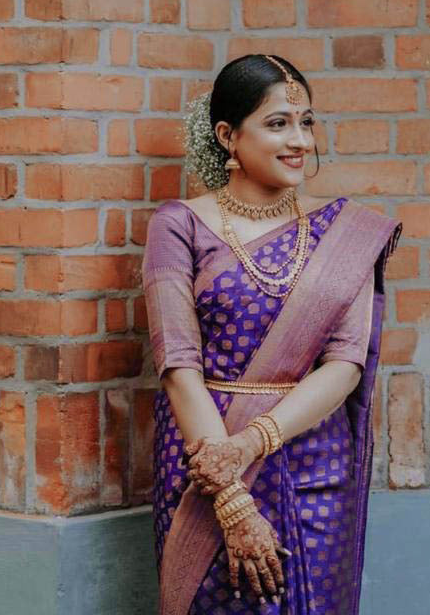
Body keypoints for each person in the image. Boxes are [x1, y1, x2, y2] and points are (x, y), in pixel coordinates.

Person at [142, 54, 403, 615]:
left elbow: (345, 363)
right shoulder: (179, 225)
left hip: (313, 456)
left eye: (306, 122)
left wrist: (250, 444)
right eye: (278, 123)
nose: (300, 141)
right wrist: (230, 493)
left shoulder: (344, 232)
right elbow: (178, 366)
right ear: (227, 136)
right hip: (203, 457)